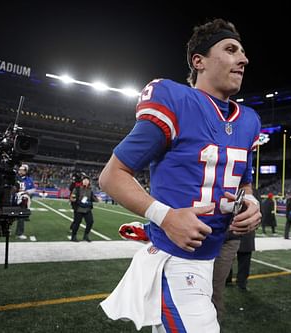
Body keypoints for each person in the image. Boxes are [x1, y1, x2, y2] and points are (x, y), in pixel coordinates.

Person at [98, 18, 262, 332]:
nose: (243, 59)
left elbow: (244, 182)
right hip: (175, 260)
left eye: (242, 51)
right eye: (230, 49)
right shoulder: (175, 99)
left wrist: (251, 204)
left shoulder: (249, 120)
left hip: (211, 256)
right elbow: (112, 175)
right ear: (198, 61)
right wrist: (166, 216)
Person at [69, 175, 98, 242]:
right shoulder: (77, 188)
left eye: (87, 180)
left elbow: (93, 198)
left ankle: (86, 235)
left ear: (89, 182)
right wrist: (73, 199)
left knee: (90, 222)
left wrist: (97, 199)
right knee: (77, 223)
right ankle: (73, 236)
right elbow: (73, 197)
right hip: (78, 209)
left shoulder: (90, 190)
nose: (86, 181)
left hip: (87, 209)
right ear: (82, 181)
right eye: (84, 180)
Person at [14, 164, 35, 240]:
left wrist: (26, 191)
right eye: (20, 169)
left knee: (21, 217)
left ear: (26, 171)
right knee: (9, 216)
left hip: (23, 200)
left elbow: (33, 189)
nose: (21, 171)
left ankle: (19, 233)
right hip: (14, 198)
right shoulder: (15, 178)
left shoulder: (29, 179)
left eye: (23, 170)